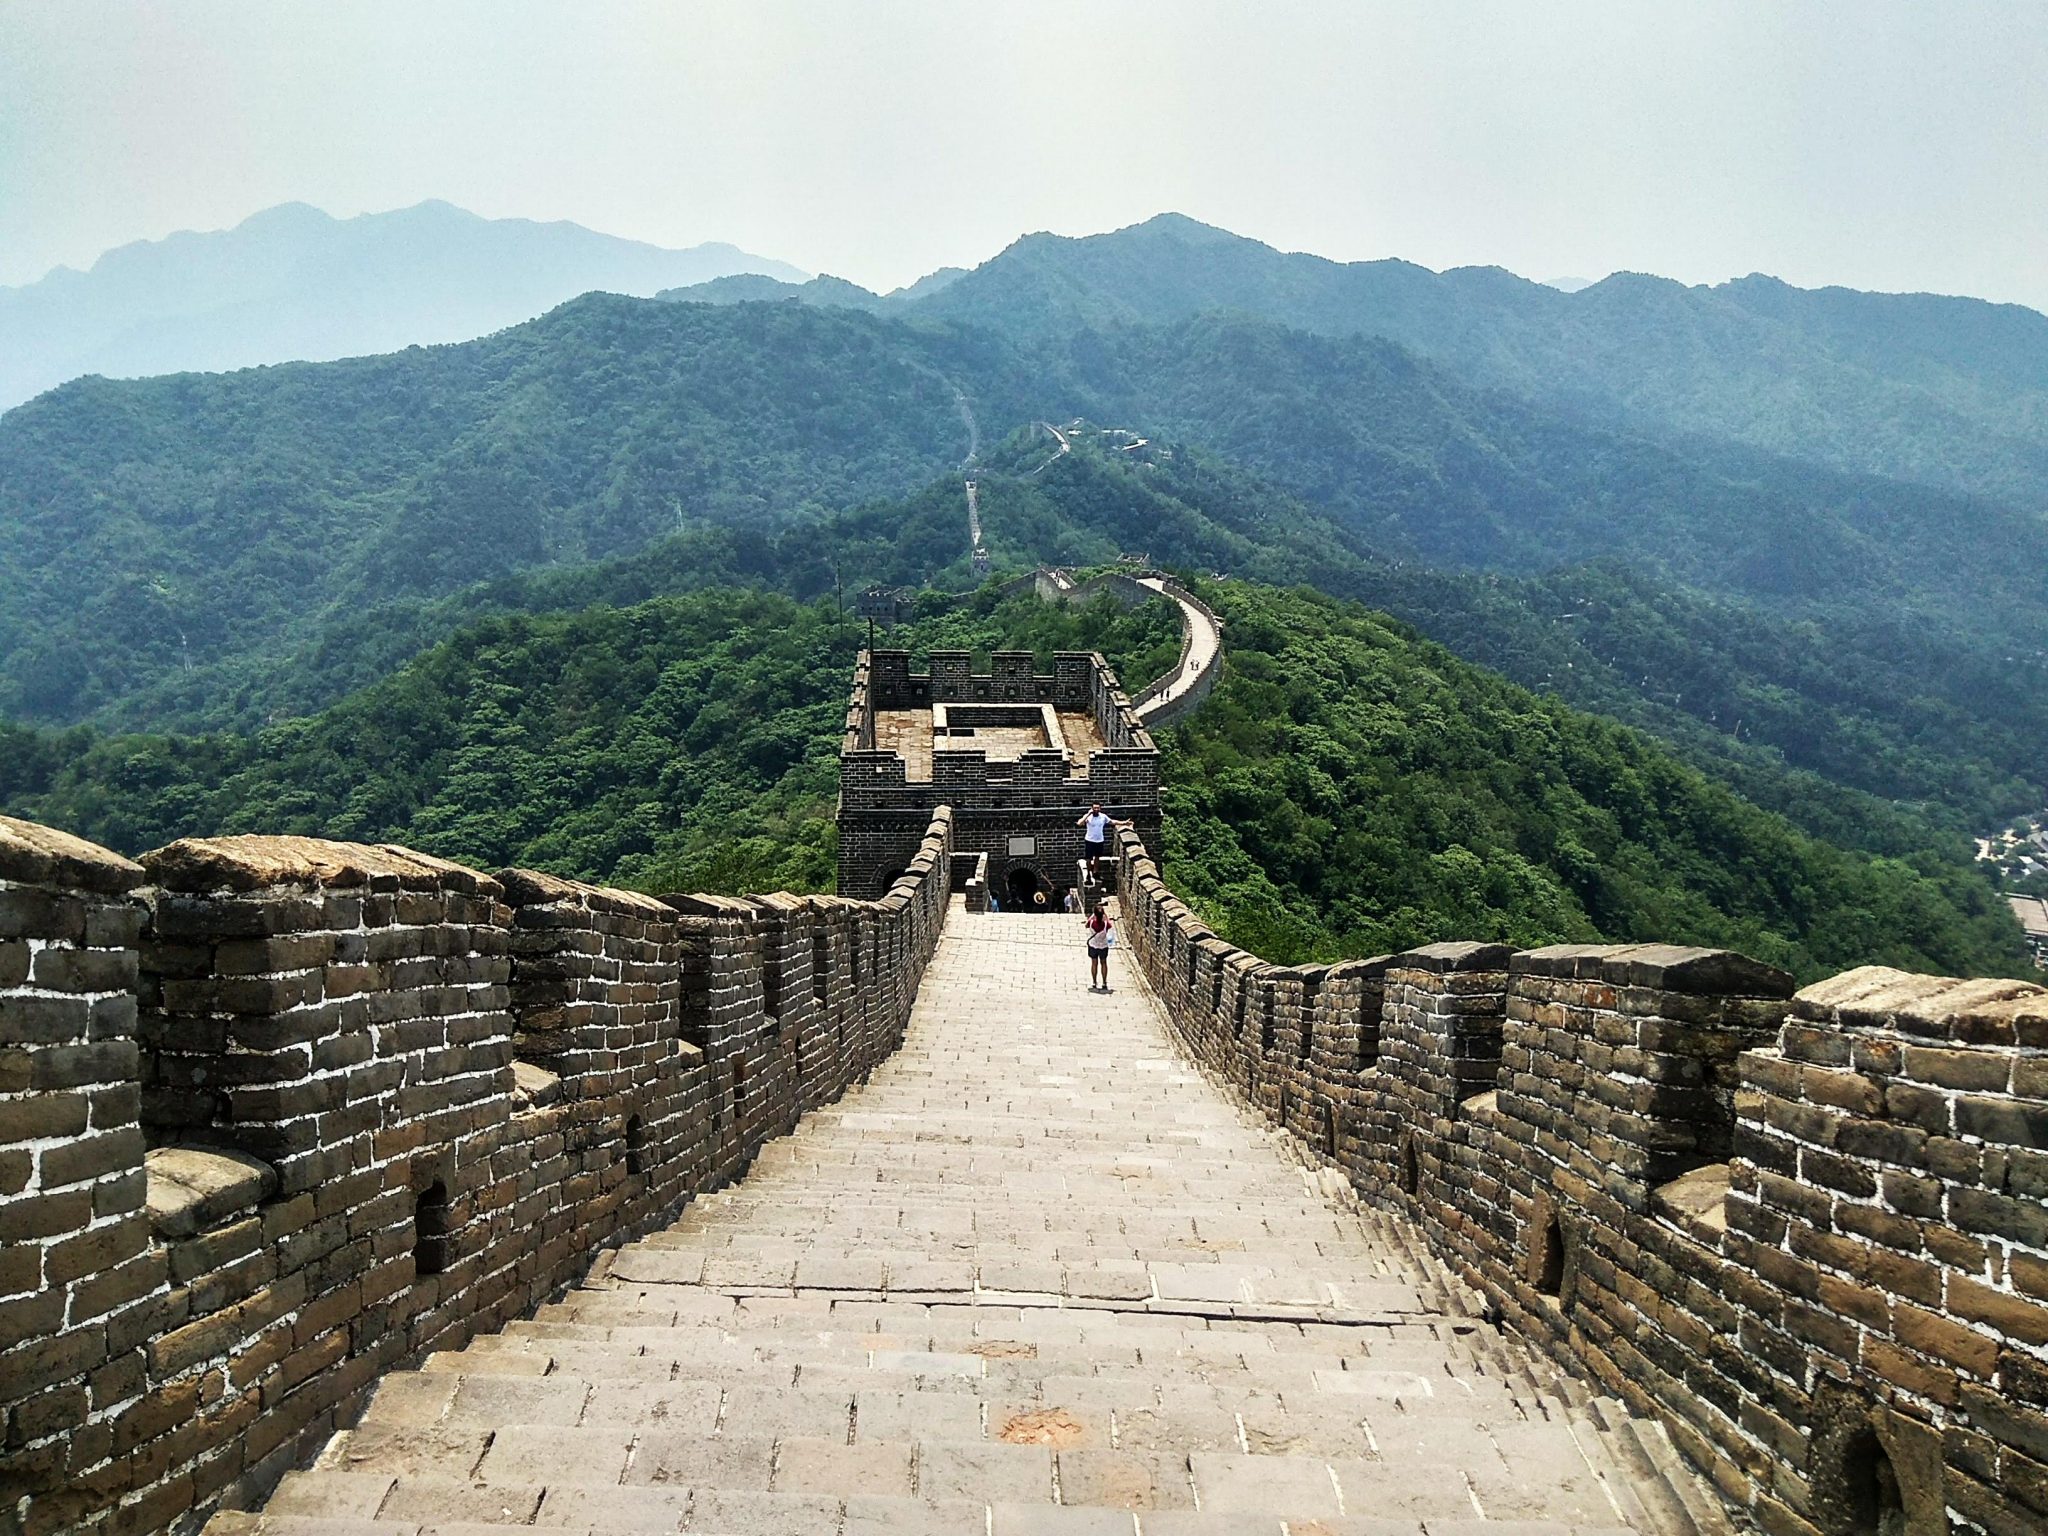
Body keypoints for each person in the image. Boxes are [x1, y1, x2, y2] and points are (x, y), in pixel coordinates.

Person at [1076, 802, 1124, 882]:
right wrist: (1088, 814)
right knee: (1088, 858)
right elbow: (1079, 823)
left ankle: (1095, 873)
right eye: (1095, 808)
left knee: (1097, 858)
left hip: (1099, 840)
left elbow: (1112, 822)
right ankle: (1088, 874)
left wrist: (1123, 823)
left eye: (1098, 808)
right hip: (1089, 840)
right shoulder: (1088, 817)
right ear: (1092, 808)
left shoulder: (1103, 816)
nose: (1096, 810)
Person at [1084, 901, 1116, 992]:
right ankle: (1104, 982)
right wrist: (1105, 916)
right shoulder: (1105, 924)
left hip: (1093, 944)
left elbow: (1086, 924)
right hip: (1103, 946)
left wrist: (1092, 915)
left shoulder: (1091, 922)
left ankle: (1094, 982)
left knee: (1094, 963)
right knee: (1103, 963)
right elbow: (1109, 925)